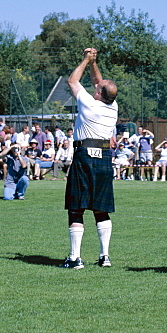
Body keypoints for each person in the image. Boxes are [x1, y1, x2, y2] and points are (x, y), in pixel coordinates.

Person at [62, 48, 118, 269]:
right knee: (100, 208)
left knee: (76, 207)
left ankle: (75, 258)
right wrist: (95, 62)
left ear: (98, 94)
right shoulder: (112, 106)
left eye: (97, 88)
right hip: (104, 158)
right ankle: (105, 257)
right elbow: (100, 82)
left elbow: (72, 81)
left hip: (84, 156)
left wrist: (86, 59)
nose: (96, 87)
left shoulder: (89, 103)